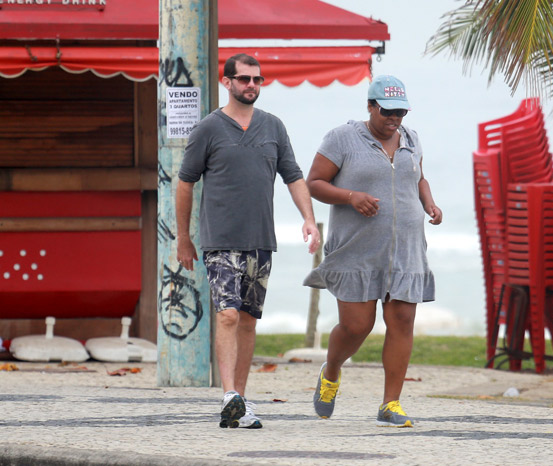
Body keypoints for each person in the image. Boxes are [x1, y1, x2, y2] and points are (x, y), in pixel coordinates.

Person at [176, 53, 320, 429]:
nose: (251, 85)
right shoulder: (208, 128)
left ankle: (239, 403)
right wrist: (183, 238)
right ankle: (230, 394)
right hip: (220, 241)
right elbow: (185, 183)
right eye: (243, 79)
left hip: (260, 242)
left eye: (256, 79)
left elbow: (293, 176)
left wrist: (308, 219)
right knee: (226, 314)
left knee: (247, 321)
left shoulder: (273, 127)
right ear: (227, 83)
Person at [303, 75, 442, 427]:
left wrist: (429, 203)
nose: (395, 118)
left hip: (406, 249)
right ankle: (332, 371)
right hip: (358, 250)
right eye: (388, 111)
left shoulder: (412, 138)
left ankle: (390, 403)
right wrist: (351, 196)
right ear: (370, 106)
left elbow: (418, 177)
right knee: (356, 326)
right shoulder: (342, 138)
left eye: (401, 112)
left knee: (402, 321)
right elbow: (314, 183)